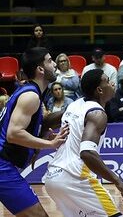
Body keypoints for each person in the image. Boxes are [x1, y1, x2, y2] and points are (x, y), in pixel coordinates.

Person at [44, 69, 123, 215]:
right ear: (99, 90)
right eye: (108, 81)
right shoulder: (97, 114)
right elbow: (87, 153)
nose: (112, 84)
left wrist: (36, 145)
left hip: (52, 177)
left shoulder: (74, 105)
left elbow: (46, 121)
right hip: (75, 178)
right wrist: (119, 182)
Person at [0, 47, 69, 216]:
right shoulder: (31, 96)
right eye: (50, 60)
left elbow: (32, 125)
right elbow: (14, 133)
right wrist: (49, 144)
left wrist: (40, 137)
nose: (54, 64)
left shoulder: (31, 92)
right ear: (40, 69)